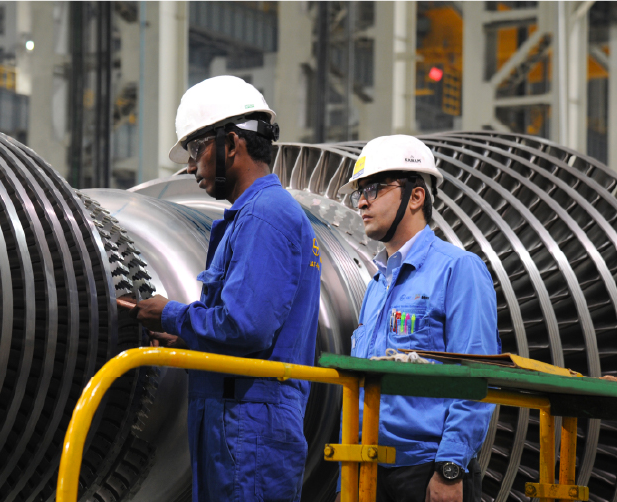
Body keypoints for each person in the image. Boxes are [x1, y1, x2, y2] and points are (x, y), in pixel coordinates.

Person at [127, 75, 322, 502]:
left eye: (198, 150)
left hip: (250, 427)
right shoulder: (251, 217)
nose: (192, 166)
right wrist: (184, 337)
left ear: (231, 145)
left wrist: (169, 313)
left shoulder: (265, 218)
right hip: (234, 420)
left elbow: (246, 328)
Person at [339, 135, 500, 502]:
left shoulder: (458, 270)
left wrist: (450, 468)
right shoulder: (377, 284)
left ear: (416, 196)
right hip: (367, 469)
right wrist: (343, 481)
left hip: (427, 471)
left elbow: (476, 378)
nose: (362, 202)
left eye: (375, 188)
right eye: (359, 193)